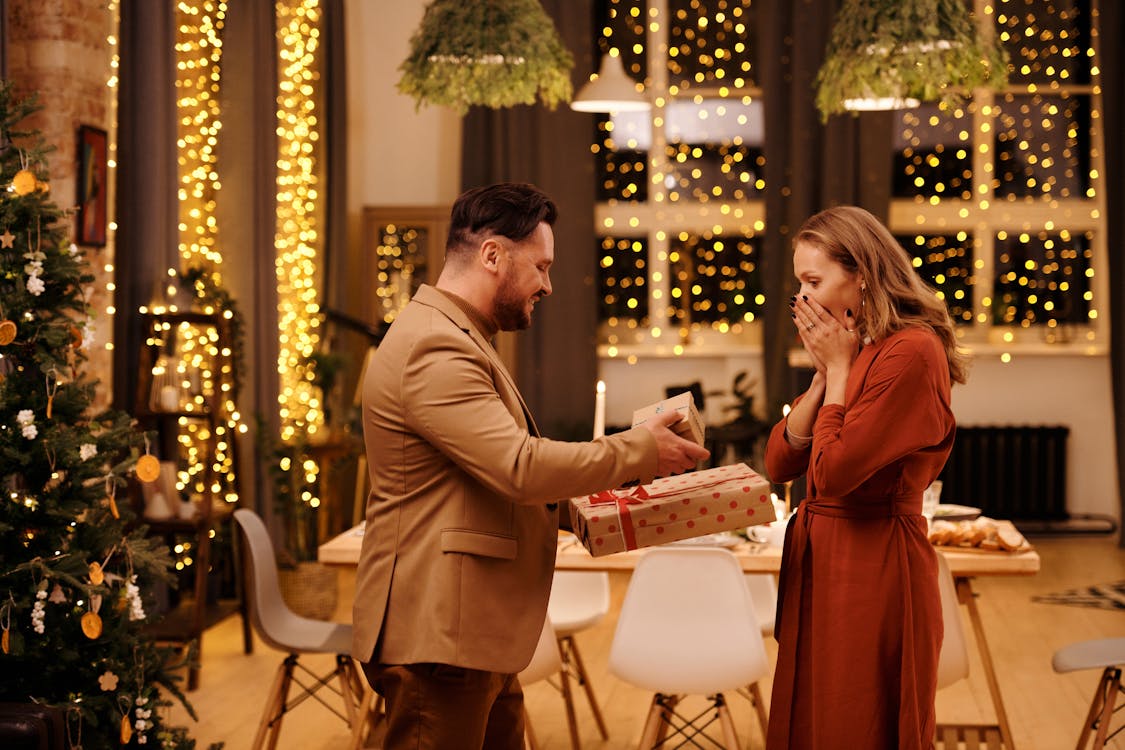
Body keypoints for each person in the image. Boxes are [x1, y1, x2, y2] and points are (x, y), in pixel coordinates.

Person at [352, 182, 709, 749]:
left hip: (472, 632)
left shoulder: (459, 336)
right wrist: (640, 448)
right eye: (540, 265)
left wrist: (584, 511)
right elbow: (517, 466)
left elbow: (481, 478)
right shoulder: (434, 346)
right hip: (439, 633)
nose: (548, 283)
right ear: (493, 255)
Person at [764, 205, 967, 749]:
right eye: (799, 283)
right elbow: (780, 464)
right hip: (821, 557)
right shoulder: (853, 346)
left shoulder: (912, 351)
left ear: (862, 274)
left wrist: (836, 373)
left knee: (860, 722)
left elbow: (830, 476)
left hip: (873, 564)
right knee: (810, 721)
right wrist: (825, 377)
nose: (803, 299)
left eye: (813, 281)